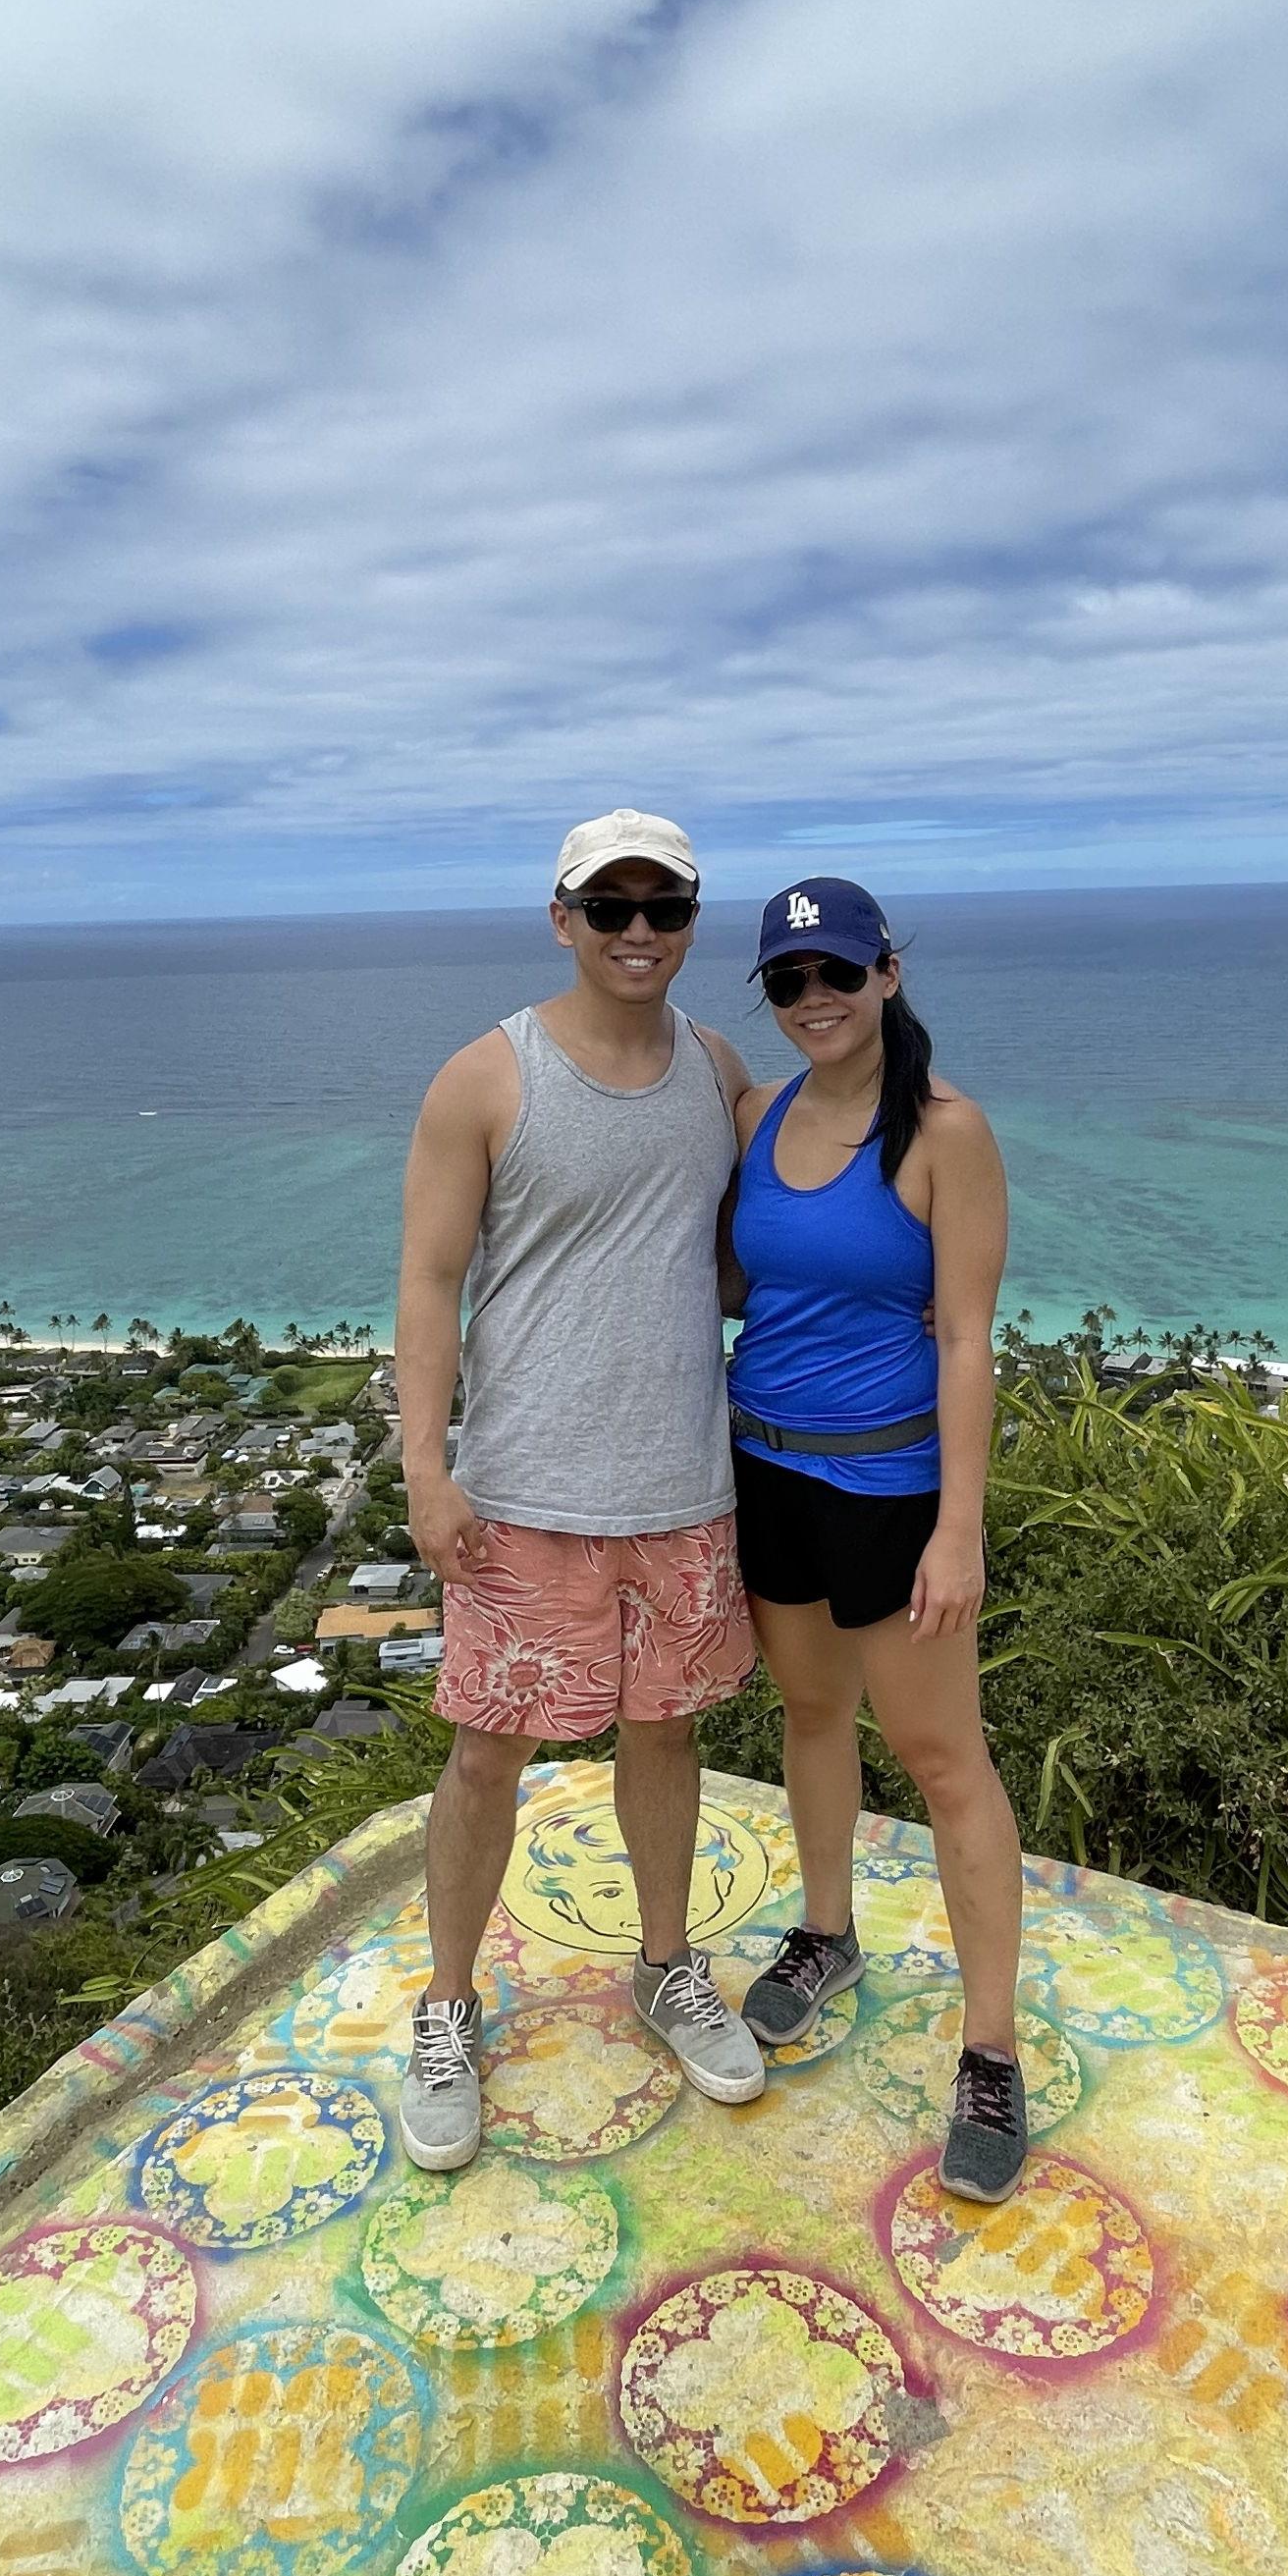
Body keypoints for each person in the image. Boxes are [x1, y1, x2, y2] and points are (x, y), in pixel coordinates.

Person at [393, 812, 773, 2168]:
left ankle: (666, 1967)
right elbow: (430, 1279)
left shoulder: (717, 1071)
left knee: (667, 1737)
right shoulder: (486, 1078)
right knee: (487, 1751)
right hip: (525, 1492)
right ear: (561, 920)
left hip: (682, 1484)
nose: (637, 931)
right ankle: (447, 2007)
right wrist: (426, 1466)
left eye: (662, 907)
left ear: (691, 923)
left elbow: (741, 1249)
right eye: (608, 907)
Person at [720, 879, 1030, 2197]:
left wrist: (959, 1529)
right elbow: (739, 1283)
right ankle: (827, 1932)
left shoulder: (944, 1132)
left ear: (887, 974)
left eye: (837, 973)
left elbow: (966, 1338)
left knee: (944, 1759)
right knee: (810, 1714)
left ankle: (991, 2050)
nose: (815, 1000)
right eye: (788, 981)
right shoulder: (759, 1114)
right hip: (765, 1468)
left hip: (891, 1490)